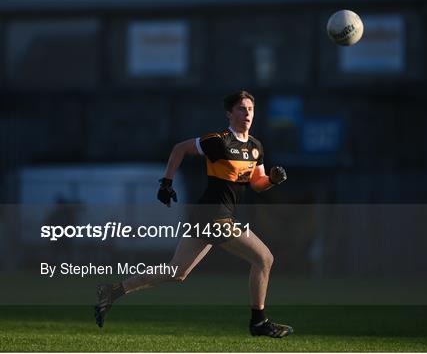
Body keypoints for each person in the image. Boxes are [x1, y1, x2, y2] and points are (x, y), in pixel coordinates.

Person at [94, 90, 293, 338]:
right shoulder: (219, 141)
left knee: (177, 272)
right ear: (229, 113)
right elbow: (179, 149)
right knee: (264, 258)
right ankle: (258, 322)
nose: (247, 114)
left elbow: (257, 183)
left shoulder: (255, 147)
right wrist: (166, 183)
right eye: (241, 109)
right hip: (215, 217)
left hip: (211, 216)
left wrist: (272, 180)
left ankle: (112, 292)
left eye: (250, 109)